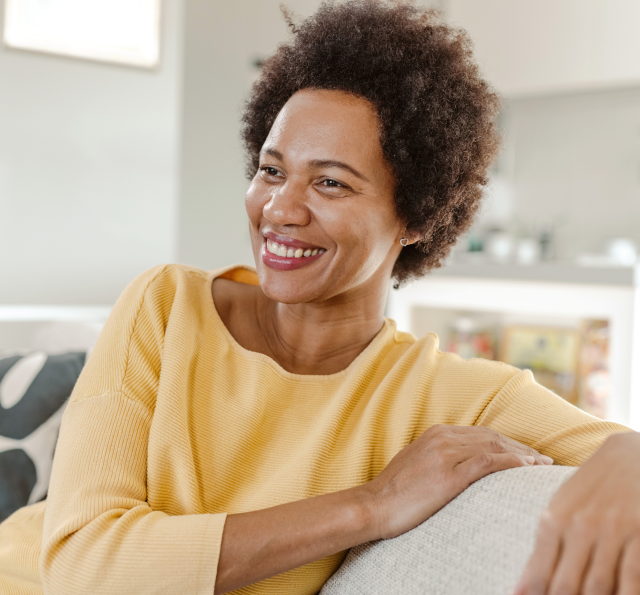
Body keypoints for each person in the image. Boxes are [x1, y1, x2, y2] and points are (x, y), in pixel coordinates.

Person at [1, 2, 638, 594]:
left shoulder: (459, 395)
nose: (279, 209)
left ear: (416, 216)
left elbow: (615, 448)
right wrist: (373, 505)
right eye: (272, 170)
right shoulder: (166, 308)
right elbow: (85, 564)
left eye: (330, 183)